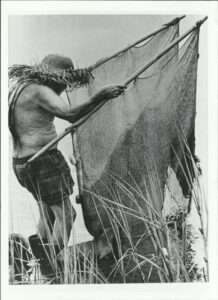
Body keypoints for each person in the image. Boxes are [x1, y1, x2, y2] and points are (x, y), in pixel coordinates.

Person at [9, 54, 126, 279]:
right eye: (64, 81)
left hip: (23, 163)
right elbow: (70, 114)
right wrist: (102, 94)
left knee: (47, 214)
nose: (64, 87)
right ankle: (53, 269)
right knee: (67, 216)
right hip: (43, 162)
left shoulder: (22, 86)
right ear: (55, 77)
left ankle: (40, 267)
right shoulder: (40, 91)